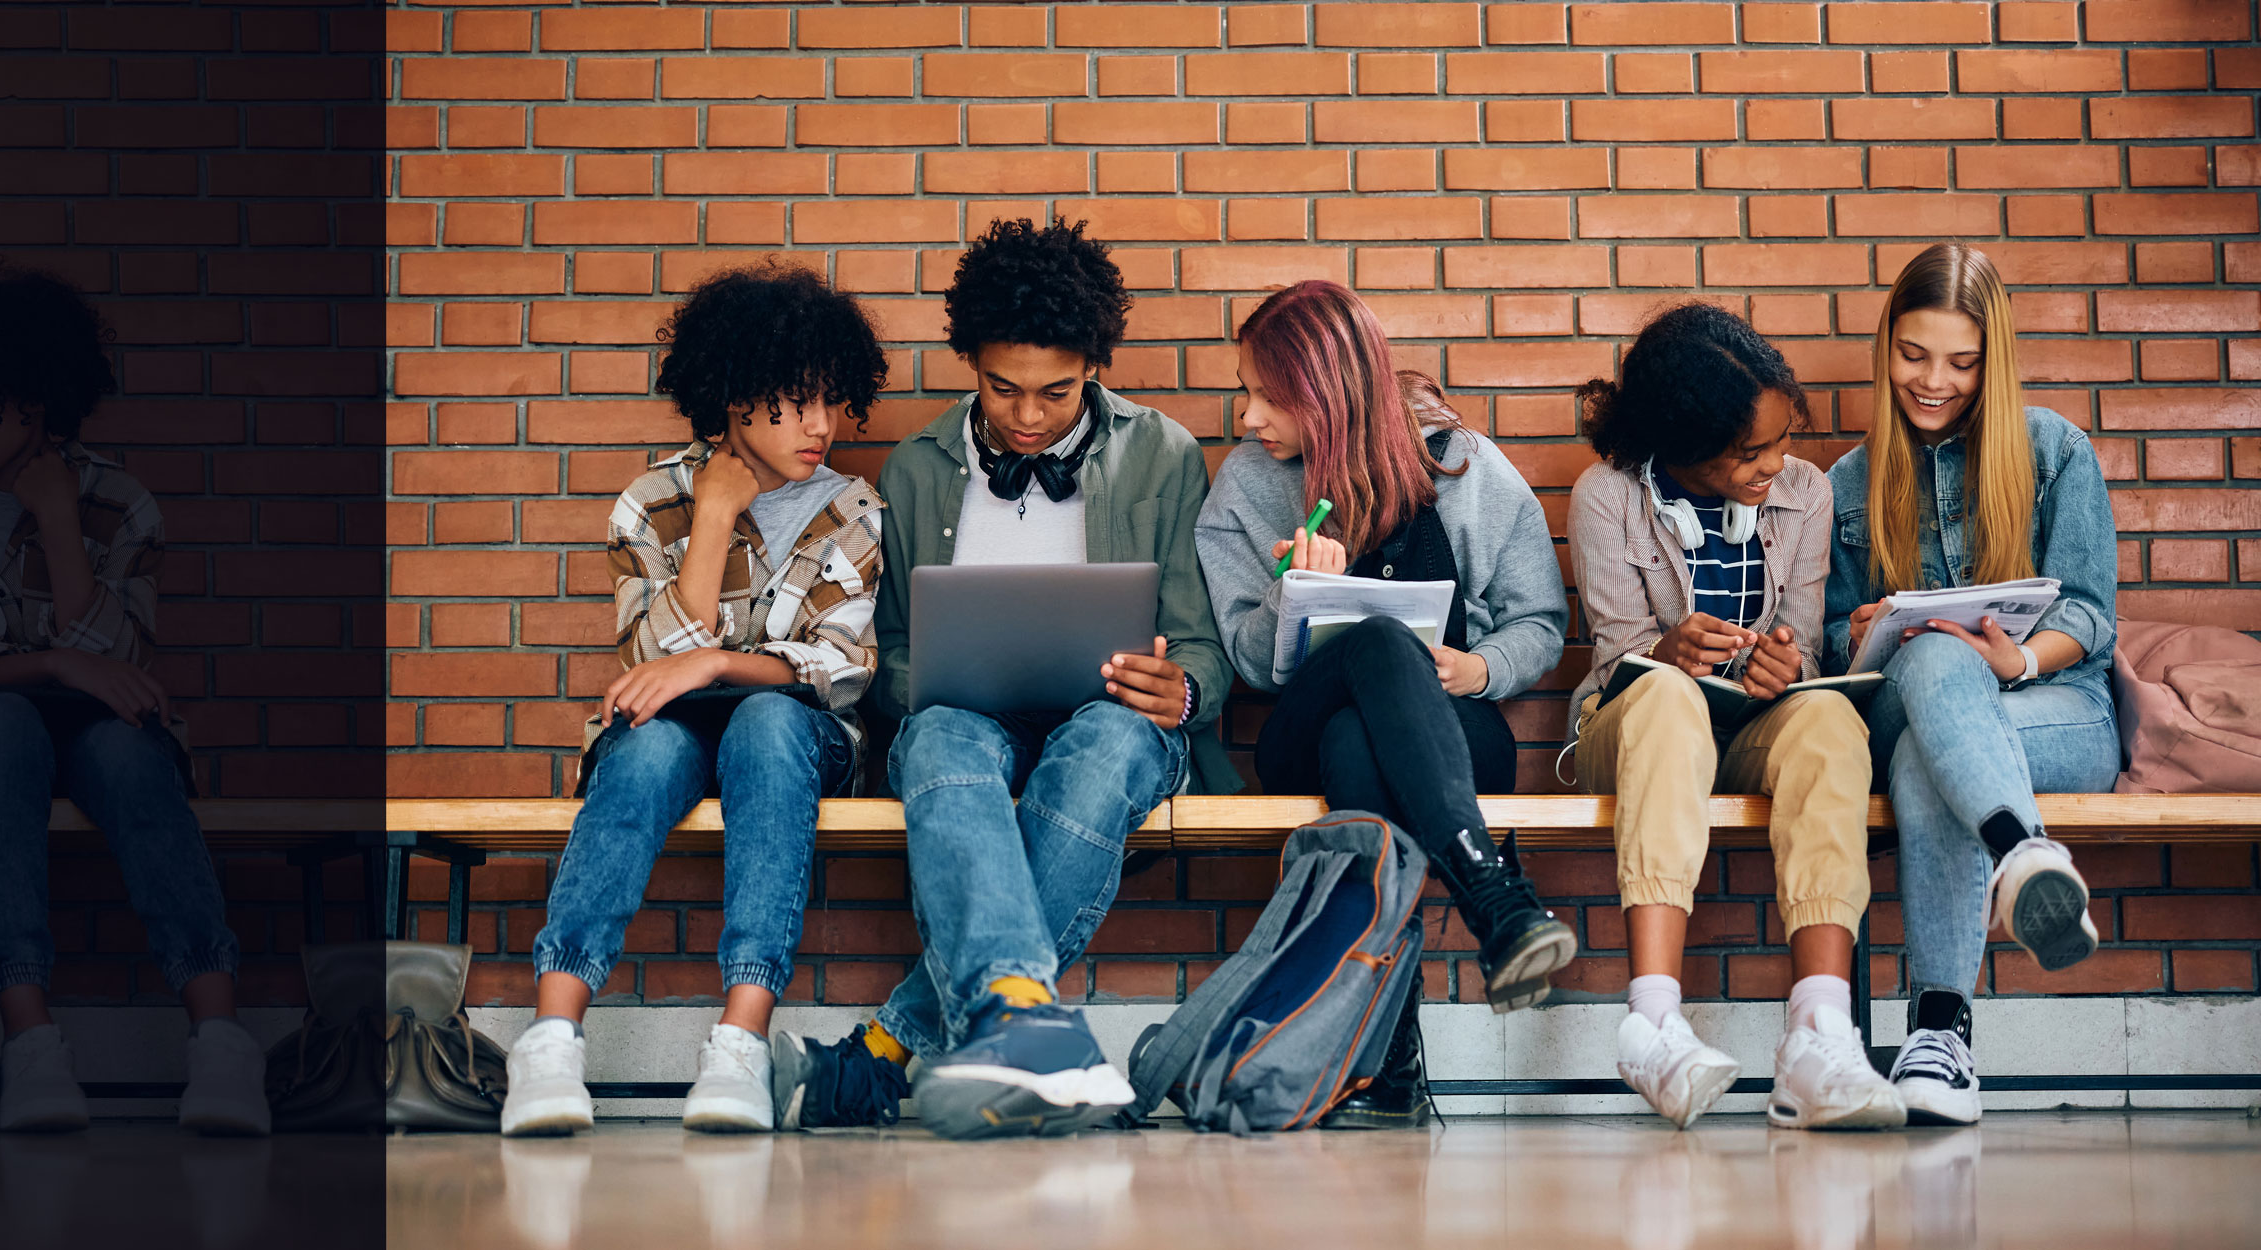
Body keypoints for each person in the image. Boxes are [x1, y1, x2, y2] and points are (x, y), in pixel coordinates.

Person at [772, 217, 1237, 1141]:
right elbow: (889, 655)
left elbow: (1201, 647)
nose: (1027, 416)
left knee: (1103, 741)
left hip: (1113, 722)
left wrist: (1178, 693)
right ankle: (1023, 1029)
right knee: (938, 732)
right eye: (1002, 389)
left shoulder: (1163, 454)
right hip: (968, 720)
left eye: (1056, 393)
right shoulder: (915, 469)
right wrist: (934, 676)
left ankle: (896, 1050)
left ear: (1096, 367)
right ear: (968, 365)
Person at [497, 265, 890, 1137]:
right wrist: (712, 517)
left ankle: (740, 1042)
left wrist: (712, 662)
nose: (819, 426)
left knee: (766, 721)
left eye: (830, 401)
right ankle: (552, 1038)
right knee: (640, 747)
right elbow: (649, 671)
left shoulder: (856, 509)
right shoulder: (654, 503)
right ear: (733, 396)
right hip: (671, 730)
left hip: (796, 733)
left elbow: (836, 669)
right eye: (791, 403)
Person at [0, 266, 265, 1135]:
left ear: (39, 403)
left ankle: (219, 1038)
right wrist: (58, 662)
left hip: (99, 729)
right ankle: (31, 1042)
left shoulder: (116, 504)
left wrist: (59, 521)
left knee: (131, 750)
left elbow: (122, 674)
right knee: (4, 724)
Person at [1196, 279, 1576, 1130]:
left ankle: (1391, 1046)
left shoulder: (1461, 466)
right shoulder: (1248, 487)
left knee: (1363, 746)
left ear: (1325, 393)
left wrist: (1475, 671)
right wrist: (1293, 593)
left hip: (1448, 726)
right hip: (1297, 727)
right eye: (1246, 390)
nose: (1247, 415)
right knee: (1372, 642)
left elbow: (1540, 622)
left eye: (1267, 395)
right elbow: (1248, 662)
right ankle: (1493, 895)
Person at [1567, 303, 1899, 1131]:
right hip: (1632, 723)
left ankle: (1819, 1033)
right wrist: (1668, 652)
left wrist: (1788, 661)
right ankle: (1652, 1019)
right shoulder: (1607, 498)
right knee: (1669, 697)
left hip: (1750, 723)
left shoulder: (1806, 495)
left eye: (1783, 440)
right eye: (1749, 453)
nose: (1774, 466)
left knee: (1828, 725)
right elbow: (1614, 665)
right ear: (1685, 444)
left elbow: (1805, 649)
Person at [1832, 244, 2120, 1128]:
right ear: (1886, 348)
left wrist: (2021, 660)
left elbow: (2091, 614)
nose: (1934, 381)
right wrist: (1849, 635)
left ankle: (1939, 1037)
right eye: (1913, 355)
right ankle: (2022, 853)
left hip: (2055, 711)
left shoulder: (2054, 449)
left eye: (1962, 362)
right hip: (1905, 705)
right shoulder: (1850, 481)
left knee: (1931, 755)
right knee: (1927, 652)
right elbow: (1824, 660)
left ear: (1992, 361)